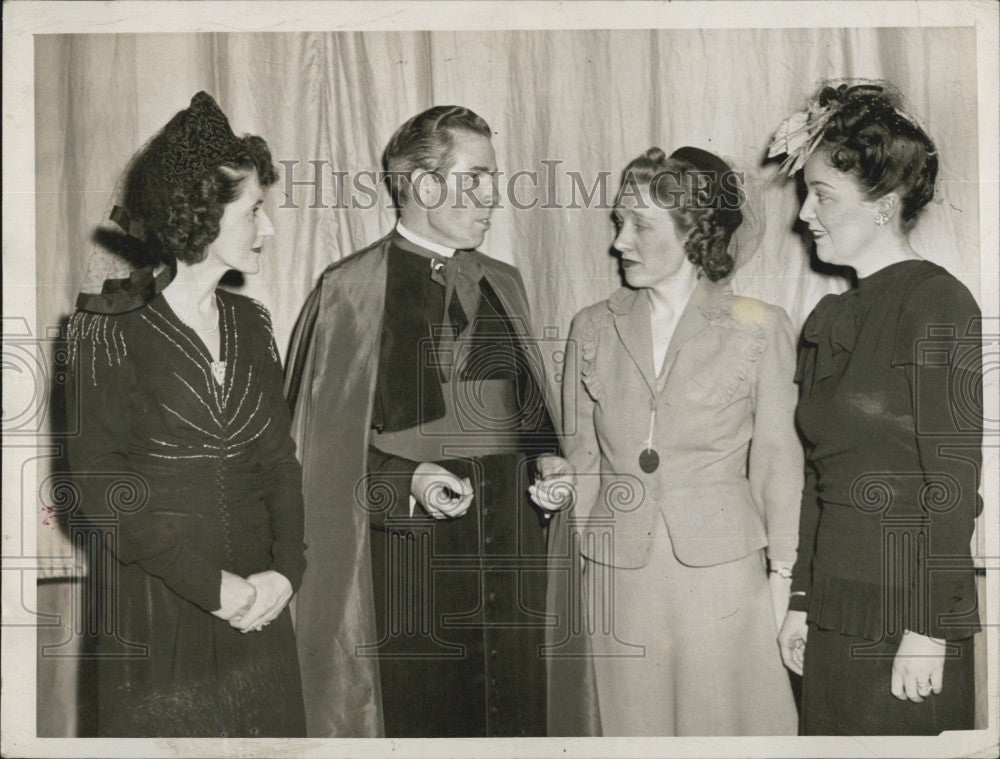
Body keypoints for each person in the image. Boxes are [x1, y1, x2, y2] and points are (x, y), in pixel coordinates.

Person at [284, 105, 563, 738]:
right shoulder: (346, 291)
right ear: (422, 184)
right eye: (478, 178)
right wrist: (404, 478)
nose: (494, 197)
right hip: (408, 570)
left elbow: (532, 417)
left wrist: (548, 458)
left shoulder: (507, 283)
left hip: (512, 555)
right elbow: (315, 459)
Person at [533, 146, 801, 736]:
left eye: (640, 225)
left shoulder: (761, 325)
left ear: (693, 233)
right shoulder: (591, 325)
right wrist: (560, 489)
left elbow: (779, 464)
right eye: (619, 221)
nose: (620, 241)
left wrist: (781, 584)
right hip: (616, 575)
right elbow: (580, 455)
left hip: (723, 578)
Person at [65, 92, 306, 737]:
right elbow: (98, 493)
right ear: (205, 211)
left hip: (259, 607)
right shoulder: (105, 328)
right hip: (157, 613)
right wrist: (213, 586)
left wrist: (287, 571)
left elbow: (281, 461)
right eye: (255, 209)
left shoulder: (253, 324)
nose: (270, 228)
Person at [770, 81, 983, 735]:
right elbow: (817, 476)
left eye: (823, 194)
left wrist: (930, 627)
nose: (806, 212)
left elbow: (951, 485)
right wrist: (801, 600)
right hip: (833, 609)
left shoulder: (937, 303)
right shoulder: (829, 317)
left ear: (884, 205)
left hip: (905, 618)